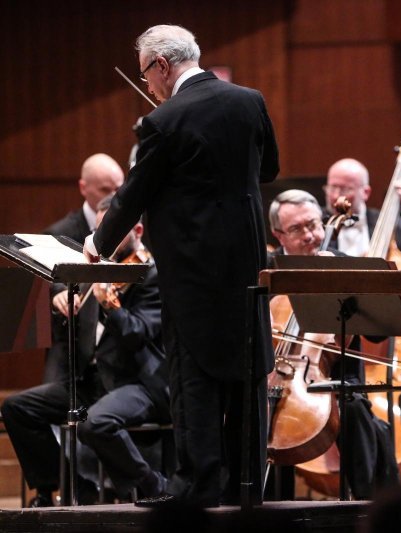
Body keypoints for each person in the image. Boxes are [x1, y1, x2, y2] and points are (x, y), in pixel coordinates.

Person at [84, 24, 279, 507]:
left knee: (194, 378)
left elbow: (132, 196)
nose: (148, 87)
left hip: (193, 273)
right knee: (245, 372)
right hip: (248, 268)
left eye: (146, 75)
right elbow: (268, 169)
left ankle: (195, 487)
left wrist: (98, 242)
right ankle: (246, 484)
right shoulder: (249, 100)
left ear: (162, 66)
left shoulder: (164, 121)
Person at [2, 195, 169, 507]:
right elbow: (75, 324)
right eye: (102, 232)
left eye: (116, 231)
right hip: (92, 381)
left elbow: (137, 335)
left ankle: (153, 483)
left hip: (137, 383)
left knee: (96, 423)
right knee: (17, 408)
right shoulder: (92, 272)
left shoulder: (151, 275)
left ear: (138, 232)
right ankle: (67, 484)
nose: (107, 240)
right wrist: (61, 302)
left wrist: (111, 305)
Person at [267, 190, 399, 499]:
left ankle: (366, 506)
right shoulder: (270, 274)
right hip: (278, 381)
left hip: (339, 385)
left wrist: (338, 281)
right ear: (278, 235)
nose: (311, 236)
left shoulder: (345, 265)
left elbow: (378, 333)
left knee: (353, 410)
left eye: (314, 225)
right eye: (297, 229)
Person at [43, 154, 125, 383]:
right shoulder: (59, 233)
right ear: (83, 187)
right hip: (70, 342)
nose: (114, 197)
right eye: (105, 190)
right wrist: (58, 290)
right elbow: (43, 276)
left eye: (119, 188)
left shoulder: (132, 227)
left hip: (115, 343)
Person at [324, 158, 401, 259]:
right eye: (332, 187)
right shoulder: (317, 224)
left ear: (366, 193)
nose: (335, 196)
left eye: (346, 189)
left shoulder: (392, 225)